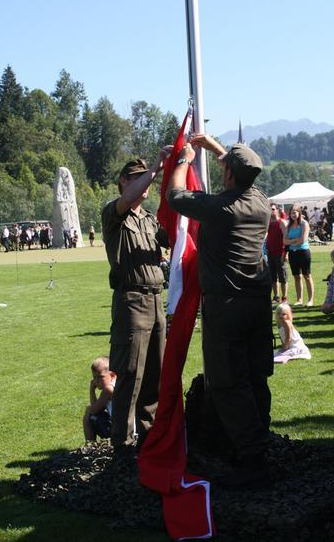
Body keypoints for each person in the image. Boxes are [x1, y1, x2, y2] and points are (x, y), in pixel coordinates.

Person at [167, 136, 273, 489]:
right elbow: (240, 170)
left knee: (227, 381)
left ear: (228, 174)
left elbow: (175, 196)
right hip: (257, 304)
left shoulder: (222, 207)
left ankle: (252, 458)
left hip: (227, 306)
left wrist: (183, 160)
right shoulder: (260, 201)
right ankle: (258, 442)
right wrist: (214, 148)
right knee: (255, 377)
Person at [101, 150, 170, 455]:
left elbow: (176, 237)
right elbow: (127, 199)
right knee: (129, 376)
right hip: (132, 302)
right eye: (137, 178)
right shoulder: (114, 214)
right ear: (123, 182)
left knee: (155, 375)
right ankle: (122, 444)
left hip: (156, 300)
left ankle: (149, 438)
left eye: (147, 179)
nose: (145, 184)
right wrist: (155, 168)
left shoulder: (150, 220)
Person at [284, 204, 314, 307]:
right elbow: (284, 241)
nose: (293, 214)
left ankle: (310, 300)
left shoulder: (304, 224)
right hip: (292, 253)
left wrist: (291, 241)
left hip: (303, 252)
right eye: (291, 213)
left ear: (299, 213)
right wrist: (295, 240)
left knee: (307, 276)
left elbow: (303, 240)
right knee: (296, 276)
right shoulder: (288, 225)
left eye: (295, 212)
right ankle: (299, 300)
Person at [83, 356, 117, 441]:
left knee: (88, 416)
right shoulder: (117, 384)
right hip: (125, 428)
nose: (96, 381)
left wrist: (91, 390)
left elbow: (94, 410)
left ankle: (90, 446)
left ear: (112, 375)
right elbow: (98, 409)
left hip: (119, 432)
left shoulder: (108, 390)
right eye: (94, 377)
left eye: (100, 377)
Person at [267, 205, 288, 304]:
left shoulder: (282, 222)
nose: (271, 211)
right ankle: (276, 297)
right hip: (270, 253)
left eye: (273, 209)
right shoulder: (268, 223)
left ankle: (284, 298)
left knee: (283, 277)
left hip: (280, 253)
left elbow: (286, 238)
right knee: (273, 277)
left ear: (277, 210)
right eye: (270, 209)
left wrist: (286, 253)